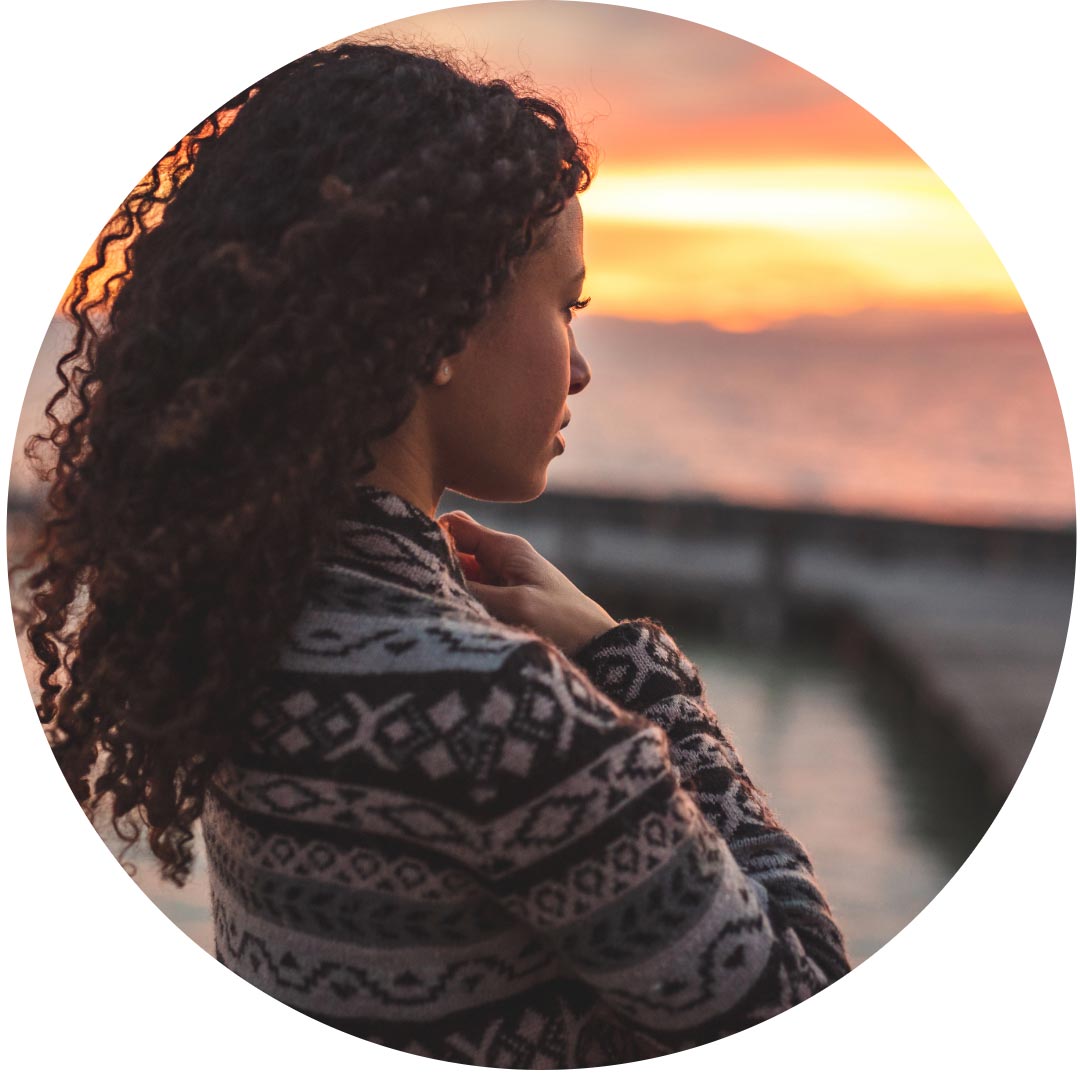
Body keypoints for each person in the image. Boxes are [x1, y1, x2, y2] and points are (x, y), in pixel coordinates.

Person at [17, 39, 850, 1068]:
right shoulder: (502, 713)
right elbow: (807, 1007)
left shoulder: (240, 618)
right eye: (566, 304)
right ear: (441, 323)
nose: (582, 369)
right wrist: (632, 667)